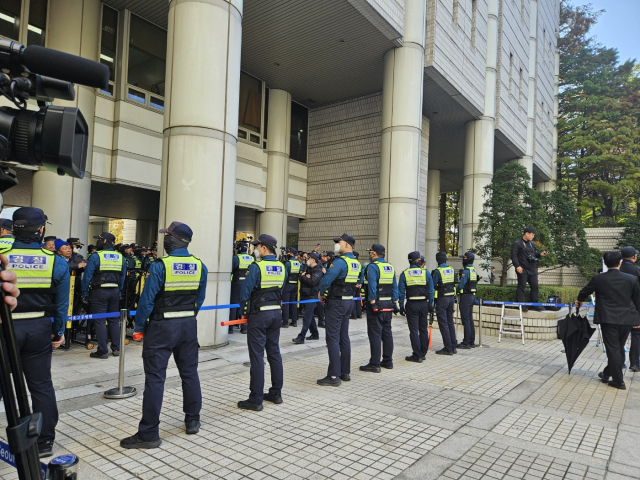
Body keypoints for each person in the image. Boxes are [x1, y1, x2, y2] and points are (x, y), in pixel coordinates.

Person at [120, 222, 207, 449]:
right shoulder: (200, 265)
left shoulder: (161, 266)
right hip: (188, 325)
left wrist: (138, 328)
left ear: (174, 239)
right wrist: (188, 315)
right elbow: (200, 298)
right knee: (189, 373)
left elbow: (147, 300)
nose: (164, 240)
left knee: (156, 379)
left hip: (161, 327)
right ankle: (192, 420)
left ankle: (149, 434)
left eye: (166, 236)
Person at [6, 207, 68, 457]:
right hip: (39, 329)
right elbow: (62, 305)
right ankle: (44, 441)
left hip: (6, 328)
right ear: (41, 230)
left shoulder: (2, 255)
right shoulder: (56, 261)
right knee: (41, 385)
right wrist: (58, 332)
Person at [576, 251, 640, 390]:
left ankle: (618, 381)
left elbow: (584, 292)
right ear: (620, 263)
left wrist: (579, 300)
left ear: (605, 263)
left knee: (613, 349)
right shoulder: (632, 279)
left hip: (608, 319)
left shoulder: (598, 279)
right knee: (618, 348)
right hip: (627, 319)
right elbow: (637, 301)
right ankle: (606, 374)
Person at [237, 234, 286, 410]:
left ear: (264, 248)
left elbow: (245, 293)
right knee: (274, 353)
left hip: (259, 316)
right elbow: (282, 289)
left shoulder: (256, 267)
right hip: (275, 314)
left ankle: (255, 399)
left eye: (258, 246)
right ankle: (276, 393)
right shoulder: (282, 267)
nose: (256, 249)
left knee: (257, 356)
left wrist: (243, 313)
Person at [317, 233, 361, 386]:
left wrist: (321, 293)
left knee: (333, 338)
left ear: (347, 245)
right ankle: (345, 372)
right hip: (348, 301)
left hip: (336, 303)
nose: (337, 245)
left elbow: (327, 280)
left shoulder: (340, 262)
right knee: (344, 337)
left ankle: (334, 376)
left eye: (339, 243)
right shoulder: (355, 262)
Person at [81, 232, 126, 359]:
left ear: (105, 241)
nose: (98, 242)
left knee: (100, 320)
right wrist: (119, 291)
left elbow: (87, 276)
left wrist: (84, 293)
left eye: (100, 240)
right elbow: (122, 277)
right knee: (113, 320)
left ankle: (103, 350)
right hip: (115, 291)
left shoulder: (96, 256)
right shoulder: (120, 256)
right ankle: (116, 349)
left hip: (99, 291)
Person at [360, 244, 398, 372]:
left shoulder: (373, 267)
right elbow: (394, 286)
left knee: (375, 334)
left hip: (376, 304)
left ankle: (375, 364)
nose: (370, 254)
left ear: (374, 254)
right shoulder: (390, 267)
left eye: (370, 252)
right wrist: (394, 301)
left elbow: (371, 286)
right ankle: (388, 361)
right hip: (388, 304)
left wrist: (372, 302)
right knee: (387, 333)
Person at [398, 251, 434, 362]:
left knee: (413, 330)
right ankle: (423, 353)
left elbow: (401, 292)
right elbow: (431, 290)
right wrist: (430, 304)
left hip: (411, 304)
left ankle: (416, 354)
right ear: (417, 260)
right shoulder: (425, 273)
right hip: (423, 304)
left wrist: (401, 306)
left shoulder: (405, 273)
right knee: (423, 329)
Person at [510, 227, 548, 311]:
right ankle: (519, 305)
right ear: (526, 233)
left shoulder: (531, 244)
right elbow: (513, 255)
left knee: (535, 287)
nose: (533, 236)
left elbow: (533, 254)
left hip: (532, 269)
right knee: (521, 287)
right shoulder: (517, 243)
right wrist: (517, 266)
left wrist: (540, 254)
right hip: (522, 269)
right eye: (532, 234)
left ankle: (534, 305)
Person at [293, 252, 323, 344]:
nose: (307, 260)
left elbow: (312, 282)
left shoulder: (318, 270)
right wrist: (305, 277)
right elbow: (301, 276)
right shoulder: (308, 268)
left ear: (313, 260)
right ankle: (315, 334)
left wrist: (304, 277)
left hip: (312, 296)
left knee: (307, 316)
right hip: (305, 295)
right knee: (310, 316)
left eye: (309, 259)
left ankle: (301, 336)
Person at [432, 252, 458, 355]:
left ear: (437, 260)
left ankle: (448, 348)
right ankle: (453, 346)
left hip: (442, 299)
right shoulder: (452, 269)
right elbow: (455, 283)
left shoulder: (438, 271)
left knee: (443, 324)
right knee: (450, 322)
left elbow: (433, 285)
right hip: (451, 298)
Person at [619, 246, 640, 372]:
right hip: (634, 310)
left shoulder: (616, 270)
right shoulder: (638, 271)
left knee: (618, 338)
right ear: (634, 257)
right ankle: (635, 363)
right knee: (636, 336)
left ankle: (620, 363)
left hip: (618, 310)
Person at [230, 241, 253, 335]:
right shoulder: (251, 258)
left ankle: (230, 327)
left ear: (239, 249)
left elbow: (230, 269)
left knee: (233, 305)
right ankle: (244, 328)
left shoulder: (236, 258)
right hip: (247, 283)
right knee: (245, 304)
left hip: (237, 283)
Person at [457, 252, 478, 349]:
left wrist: (456, 291)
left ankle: (466, 343)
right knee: (470, 319)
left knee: (466, 320)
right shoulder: (473, 270)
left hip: (465, 296)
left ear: (467, 259)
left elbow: (461, 285)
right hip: (471, 296)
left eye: (464, 258)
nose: (463, 260)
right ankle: (471, 341)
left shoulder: (466, 271)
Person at [282, 247, 301, 328]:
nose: (288, 254)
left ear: (292, 254)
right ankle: (294, 321)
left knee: (286, 303)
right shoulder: (299, 263)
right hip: (295, 285)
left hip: (288, 285)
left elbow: (285, 275)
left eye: (289, 252)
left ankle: (285, 322)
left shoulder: (288, 263)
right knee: (293, 303)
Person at [350, 251, 363, 319]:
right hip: (358, 283)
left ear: (355, 256)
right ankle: (359, 314)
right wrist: (360, 283)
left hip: (353, 284)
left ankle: (354, 315)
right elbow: (361, 275)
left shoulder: (350, 263)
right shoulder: (359, 264)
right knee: (358, 300)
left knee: (353, 300)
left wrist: (354, 284)